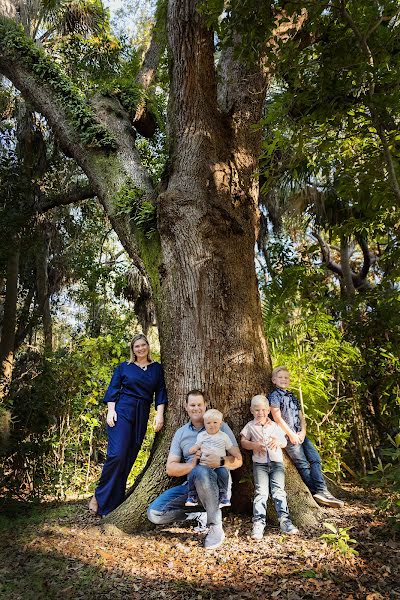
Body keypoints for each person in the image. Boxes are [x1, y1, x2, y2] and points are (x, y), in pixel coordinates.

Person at [147, 390, 242, 550]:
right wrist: (191, 465)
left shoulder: (220, 426)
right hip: (192, 488)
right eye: (192, 405)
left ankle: (215, 526)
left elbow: (238, 459)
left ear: (205, 406)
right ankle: (201, 513)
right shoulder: (181, 433)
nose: (196, 408)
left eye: (199, 404)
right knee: (155, 514)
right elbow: (170, 468)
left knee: (202, 471)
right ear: (186, 407)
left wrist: (220, 461)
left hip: (219, 484)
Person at [88, 333, 167, 516]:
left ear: (148, 346)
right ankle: (98, 497)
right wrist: (111, 411)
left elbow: (160, 392)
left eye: (143, 345)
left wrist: (160, 415)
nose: (140, 349)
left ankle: (113, 503)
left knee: (128, 458)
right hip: (123, 411)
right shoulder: (125, 367)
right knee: (116, 455)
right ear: (132, 349)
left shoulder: (156, 369)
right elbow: (113, 390)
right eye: (136, 346)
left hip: (142, 413)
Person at [269, 366, 344, 508]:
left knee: (315, 458)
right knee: (303, 464)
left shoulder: (292, 396)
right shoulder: (274, 396)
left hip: (300, 434)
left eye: (286, 377)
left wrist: (303, 431)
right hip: (288, 435)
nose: (284, 380)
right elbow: (277, 417)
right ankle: (319, 491)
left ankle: (322, 490)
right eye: (280, 377)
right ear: (274, 380)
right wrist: (290, 434)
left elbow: (301, 416)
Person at [241, 394, 299, 540]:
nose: (260, 413)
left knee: (278, 491)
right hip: (259, 464)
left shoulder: (274, 425)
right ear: (251, 411)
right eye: (257, 410)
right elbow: (243, 442)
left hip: (276, 463)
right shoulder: (250, 426)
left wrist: (278, 442)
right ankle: (259, 523)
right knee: (261, 492)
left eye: (263, 410)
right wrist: (254, 445)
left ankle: (285, 521)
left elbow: (284, 442)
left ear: (268, 411)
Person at [186, 408, 239, 508]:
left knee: (223, 473)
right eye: (208, 423)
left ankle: (223, 496)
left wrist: (236, 453)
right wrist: (192, 450)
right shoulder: (202, 435)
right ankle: (192, 495)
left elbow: (230, 447)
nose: (212, 425)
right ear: (204, 424)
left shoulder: (223, 436)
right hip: (204, 465)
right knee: (193, 472)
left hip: (218, 465)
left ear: (220, 424)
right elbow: (197, 445)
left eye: (215, 422)